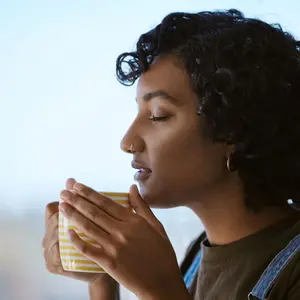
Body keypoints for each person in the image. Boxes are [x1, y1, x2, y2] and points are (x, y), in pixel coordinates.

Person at [42, 9, 300, 300]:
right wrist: (103, 277)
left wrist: (160, 290)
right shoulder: (197, 259)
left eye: (158, 115)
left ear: (233, 130)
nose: (127, 141)